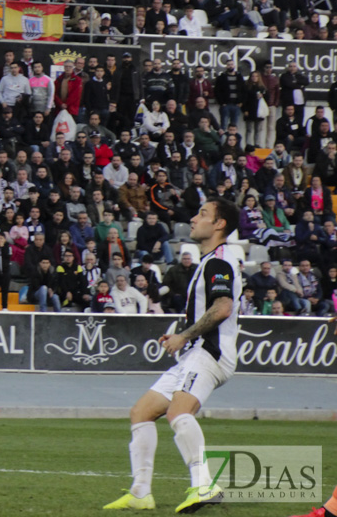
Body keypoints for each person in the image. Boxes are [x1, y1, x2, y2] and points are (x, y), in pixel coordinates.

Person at [104, 198, 241, 513]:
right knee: (141, 412)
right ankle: (140, 492)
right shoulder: (208, 262)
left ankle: (204, 485)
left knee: (179, 413)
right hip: (196, 351)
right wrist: (183, 334)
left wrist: (184, 336)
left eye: (202, 214)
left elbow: (223, 308)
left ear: (220, 224)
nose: (193, 219)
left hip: (210, 351)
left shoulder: (219, 262)